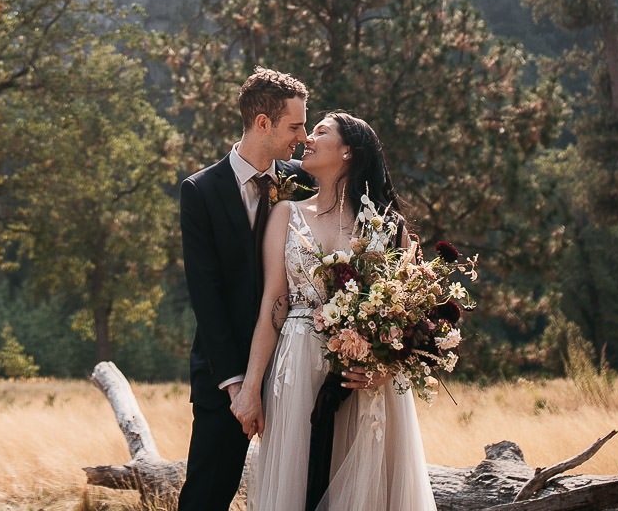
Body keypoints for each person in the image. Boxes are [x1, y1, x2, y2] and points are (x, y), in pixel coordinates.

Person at [233, 112, 436, 511]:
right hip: (297, 373)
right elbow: (273, 306)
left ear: (348, 151)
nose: (307, 138)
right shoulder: (286, 215)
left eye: (321, 132)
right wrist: (251, 388)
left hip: (363, 381)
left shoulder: (387, 228)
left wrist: (385, 368)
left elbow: (411, 318)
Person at [176, 69, 311, 511]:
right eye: (295, 126)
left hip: (297, 366)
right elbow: (207, 296)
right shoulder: (200, 191)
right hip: (224, 371)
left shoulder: (303, 182)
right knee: (207, 496)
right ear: (262, 124)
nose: (303, 137)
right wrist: (239, 387)